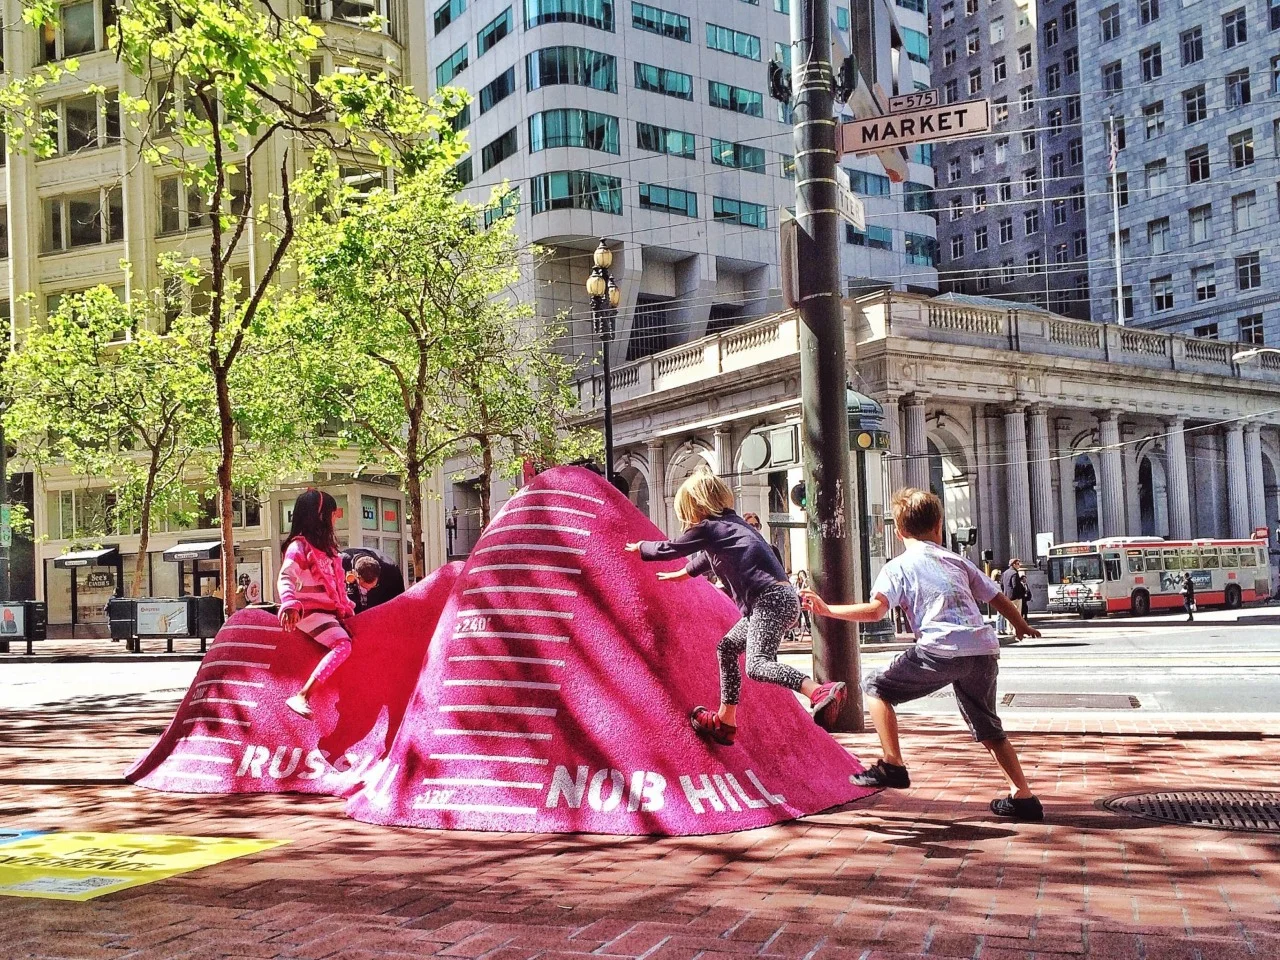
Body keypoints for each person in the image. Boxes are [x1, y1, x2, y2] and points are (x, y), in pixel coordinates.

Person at [801, 487, 1046, 822]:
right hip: (982, 651)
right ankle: (1023, 796)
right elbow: (996, 597)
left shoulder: (898, 567)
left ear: (899, 532)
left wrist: (828, 610)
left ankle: (893, 764)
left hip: (940, 650)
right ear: (938, 526)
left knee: (875, 686)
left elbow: (875, 611)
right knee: (988, 725)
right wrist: (1020, 625)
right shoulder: (957, 560)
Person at [625, 468, 846, 745]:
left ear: (695, 507)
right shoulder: (734, 526)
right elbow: (707, 559)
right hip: (776, 601)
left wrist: (642, 547)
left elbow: (672, 548)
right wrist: (682, 574)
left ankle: (817, 691)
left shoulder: (709, 528)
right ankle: (725, 721)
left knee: (757, 664)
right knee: (727, 648)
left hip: (768, 601)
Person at [277, 489, 357, 719]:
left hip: (329, 612)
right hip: (312, 613)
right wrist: (290, 602)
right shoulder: (299, 547)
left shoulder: (327, 551)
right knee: (343, 645)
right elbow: (286, 576)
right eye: (333, 514)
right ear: (321, 516)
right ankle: (303, 695)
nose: (336, 519)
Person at [341, 546, 406, 613]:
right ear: (355, 574)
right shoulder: (339, 565)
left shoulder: (391, 572)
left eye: (374, 586)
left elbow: (399, 603)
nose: (368, 590)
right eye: (364, 587)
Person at [998, 559, 1026, 636]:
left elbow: (1002, 585)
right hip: (1015, 597)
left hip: (1007, 596)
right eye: (1018, 564)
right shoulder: (1014, 573)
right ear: (1013, 565)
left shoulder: (1005, 573)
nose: (1019, 565)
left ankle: (1010, 630)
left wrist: (1005, 593)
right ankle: (1016, 630)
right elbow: (1015, 586)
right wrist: (1020, 594)